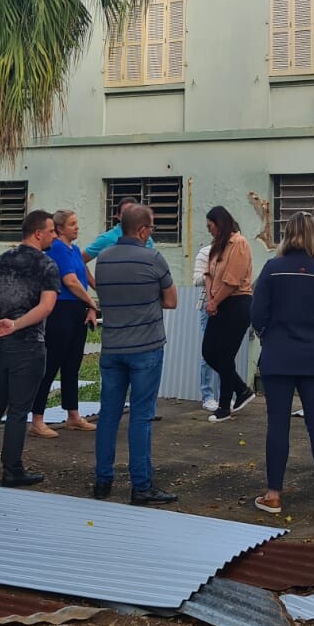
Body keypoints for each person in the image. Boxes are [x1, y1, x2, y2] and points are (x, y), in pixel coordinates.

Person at [250, 211, 314, 515]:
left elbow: (257, 313)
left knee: (277, 424)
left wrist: (267, 336)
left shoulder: (272, 269)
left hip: (278, 355)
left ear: (287, 235)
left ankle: (273, 495)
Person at [0, 210, 59, 488]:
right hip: (27, 342)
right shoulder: (47, 265)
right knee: (19, 409)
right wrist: (15, 325)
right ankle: (12, 469)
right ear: (38, 233)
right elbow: (46, 306)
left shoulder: (1, 259)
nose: (54, 236)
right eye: (51, 231)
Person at [92, 203, 178, 506]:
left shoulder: (103, 259)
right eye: (150, 228)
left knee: (108, 415)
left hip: (112, 347)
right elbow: (171, 301)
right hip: (145, 348)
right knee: (141, 416)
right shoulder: (153, 258)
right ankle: (141, 485)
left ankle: (102, 480)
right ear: (142, 231)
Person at [29, 208, 98, 438]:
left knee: (72, 364)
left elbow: (84, 278)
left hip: (78, 309)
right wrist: (91, 302)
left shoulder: (75, 250)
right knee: (51, 364)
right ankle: (37, 419)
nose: (77, 227)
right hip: (61, 309)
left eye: (76, 223)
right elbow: (70, 281)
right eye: (72, 224)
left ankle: (73, 415)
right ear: (59, 228)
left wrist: (90, 306)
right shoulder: (56, 248)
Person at [201, 206, 255, 423]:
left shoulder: (239, 244)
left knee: (225, 355)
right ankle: (241, 389)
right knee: (209, 351)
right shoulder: (217, 246)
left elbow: (233, 280)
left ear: (220, 223)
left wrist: (215, 301)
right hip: (217, 303)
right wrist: (210, 299)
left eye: (211, 226)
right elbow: (208, 274)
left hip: (237, 303)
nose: (209, 230)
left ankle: (224, 406)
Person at [84, 196, 156, 260]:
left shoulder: (147, 238)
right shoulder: (107, 238)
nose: (130, 217)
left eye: (134, 214)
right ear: (118, 216)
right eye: (125, 214)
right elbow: (81, 260)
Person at [193, 239, 219, 411]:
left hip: (231, 303)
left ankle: (225, 396)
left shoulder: (235, 252)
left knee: (227, 352)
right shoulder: (206, 252)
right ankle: (207, 396)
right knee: (209, 351)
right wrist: (213, 274)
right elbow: (196, 279)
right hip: (208, 303)